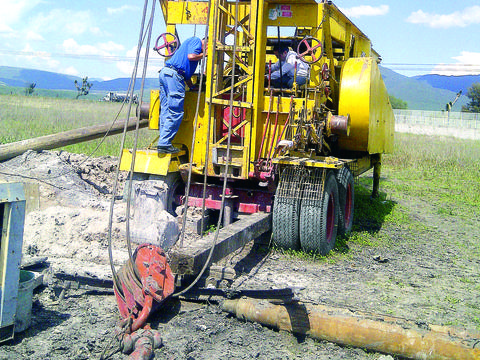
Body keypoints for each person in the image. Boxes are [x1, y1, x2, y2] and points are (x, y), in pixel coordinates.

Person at [157, 36, 207, 153]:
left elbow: (186, 74)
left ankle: (163, 141)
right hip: (174, 76)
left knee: (166, 109)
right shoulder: (197, 41)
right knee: (176, 111)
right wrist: (205, 54)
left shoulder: (190, 44)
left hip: (166, 73)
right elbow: (191, 57)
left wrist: (192, 87)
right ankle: (164, 143)